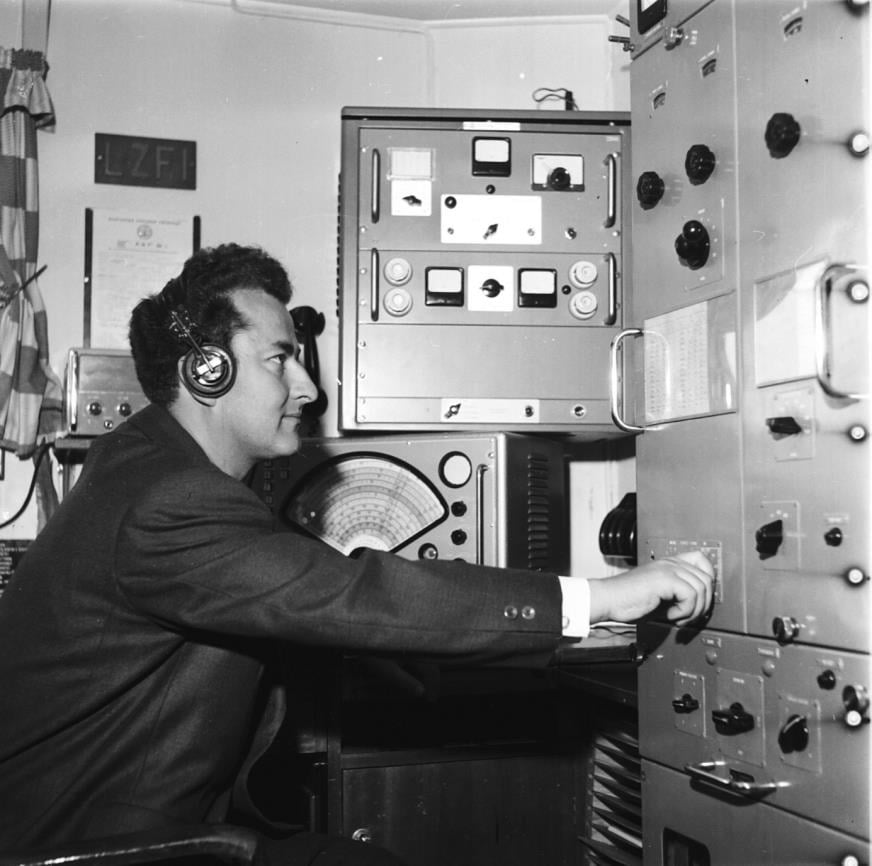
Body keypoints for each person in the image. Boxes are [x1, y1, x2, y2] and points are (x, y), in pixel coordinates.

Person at [0, 244, 714, 864]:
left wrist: (391, 658)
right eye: (281, 359)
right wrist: (602, 596)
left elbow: (301, 588)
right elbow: (355, 593)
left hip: (131, 827)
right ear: (207, 371)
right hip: (102, 847)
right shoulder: (169, 498)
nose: (308, 389)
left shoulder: (145, 465)